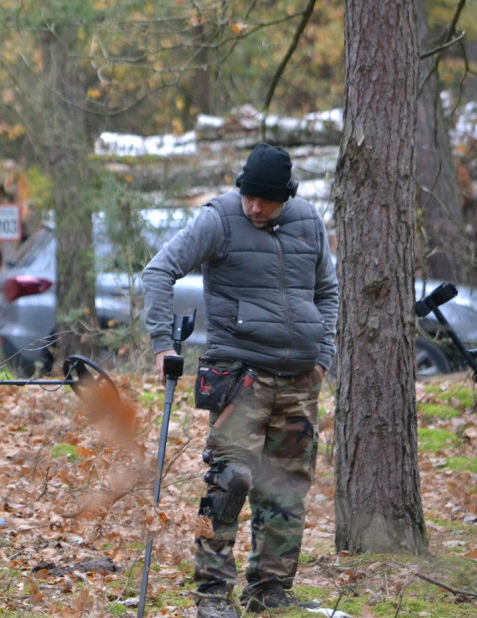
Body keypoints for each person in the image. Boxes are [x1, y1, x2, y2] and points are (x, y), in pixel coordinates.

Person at [142, 143, 339, 618]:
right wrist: (162, 345)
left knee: (286, 489)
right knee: (230, 480)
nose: (254, 207)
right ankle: (211, 593)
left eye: (265, 200)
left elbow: (327, 290)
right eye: (248, 196)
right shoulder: (219, 219)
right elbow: (158, 271)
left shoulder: (309, 222)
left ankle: (270, 591)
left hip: (299, 380)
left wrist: (323, 357)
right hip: (240, 377)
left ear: (285, 197)